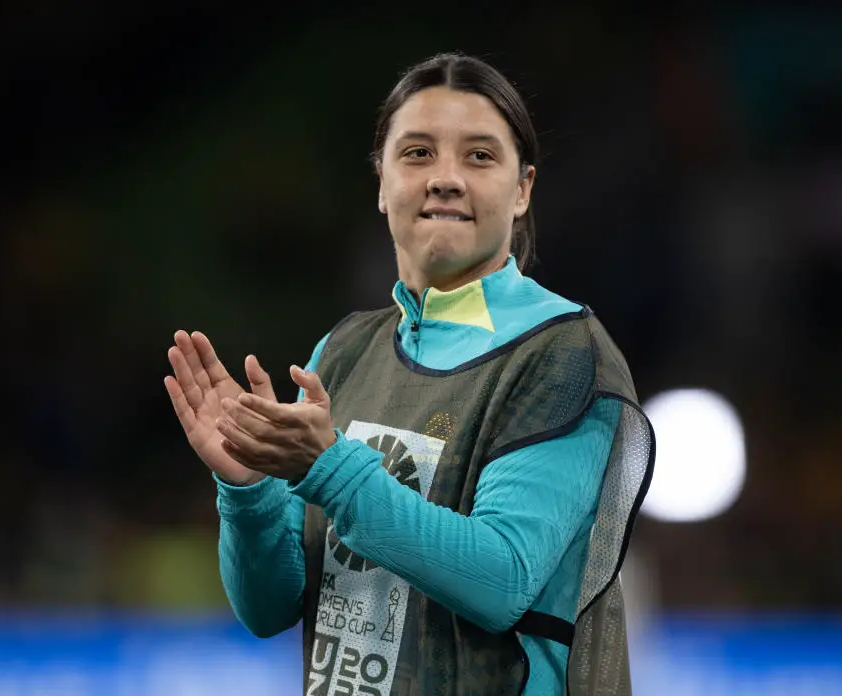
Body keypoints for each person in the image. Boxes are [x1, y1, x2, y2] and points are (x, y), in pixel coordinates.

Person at [164, 53, 654, 696]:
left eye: (480, 156)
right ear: (381, 181)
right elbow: (269, 609)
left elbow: (503, 580)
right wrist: (249, 488)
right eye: (418, 153)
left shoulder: (560, 351)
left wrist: (330, 469)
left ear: (522, 189)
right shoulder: (345, 351)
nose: (445, 178)